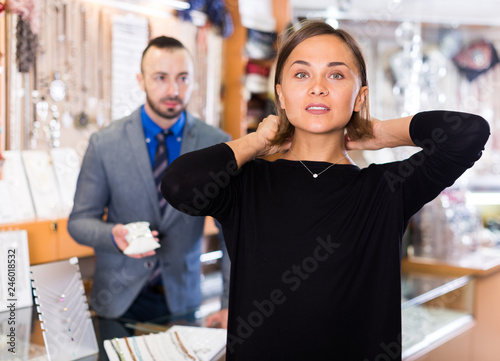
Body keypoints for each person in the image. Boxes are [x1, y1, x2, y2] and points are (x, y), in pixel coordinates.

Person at [161, 20, 490, 361]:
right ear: (281, 96)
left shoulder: (387, 189)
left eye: (336, 75)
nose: (318, 87)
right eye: (302, 75)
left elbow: (468, 133)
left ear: (360, 95)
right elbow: (179, 184)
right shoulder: (247, 184)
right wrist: (257, 141)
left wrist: (380, 132)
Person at [67, 36, 230, 326]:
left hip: (182, 301)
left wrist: (232, 302)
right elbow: (79, 221)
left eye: (183, 78)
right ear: (141, 80)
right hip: (116, 302)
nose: (173, 90)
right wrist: (112, 235)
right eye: (160, 78)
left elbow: (234, 235)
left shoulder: (216, 145)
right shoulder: (105, 143)